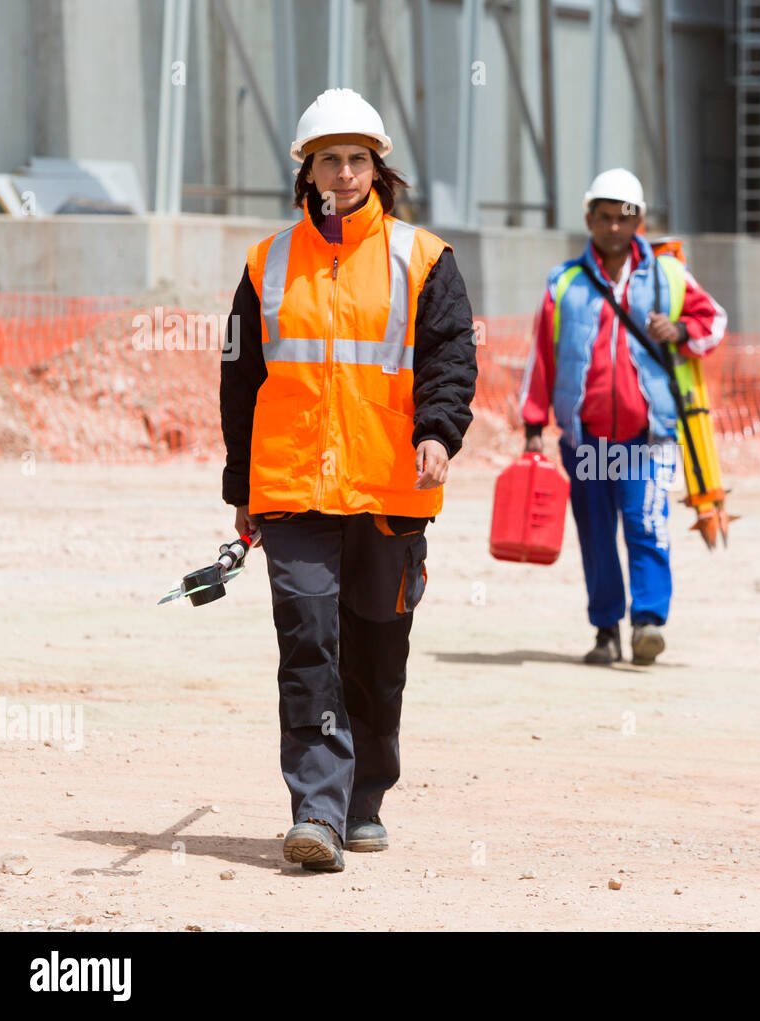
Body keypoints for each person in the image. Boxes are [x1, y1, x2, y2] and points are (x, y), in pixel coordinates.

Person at [219, 88, 477, 873]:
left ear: (377, 169)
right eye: (328, 158)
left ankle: (365, 797)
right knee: (307, 639)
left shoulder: (423, 258)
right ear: (307, 171)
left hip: (389, 487)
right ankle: (317, 811)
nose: (342, 172)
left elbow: (450, 359)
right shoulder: (267, 264)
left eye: (355, 158)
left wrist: (437, 432)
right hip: (293, 485)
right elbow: (240, 380)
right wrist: (242, 487)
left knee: (374, 647)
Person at [517, 169, 727, 666]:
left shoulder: (669, 275)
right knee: (595, 534)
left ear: (640, 221)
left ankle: (648, 622)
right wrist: (532, 426)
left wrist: (677, 329)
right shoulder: (564, 282)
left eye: (624, 218)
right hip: (585, 438)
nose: (614, 227)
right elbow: (541, 356)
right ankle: (605, 630)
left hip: (647, 435)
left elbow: (713, 322)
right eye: (605, 217)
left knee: (646, 523)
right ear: (589, 218)